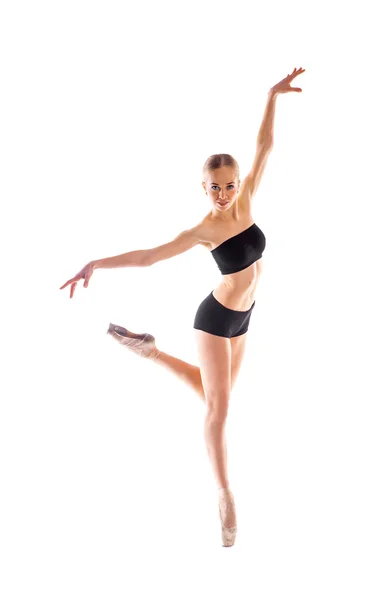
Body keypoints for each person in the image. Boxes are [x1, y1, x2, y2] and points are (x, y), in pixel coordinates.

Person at [60, 67, 305, 547]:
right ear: (203, 187)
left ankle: (150, 351)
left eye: (229, 185)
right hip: (214, 321)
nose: (223, 194)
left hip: (244, 318)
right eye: (214, 187)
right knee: (219, 409)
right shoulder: (202, 231)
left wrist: (272, 96)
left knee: (219, 394)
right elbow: (149, 257)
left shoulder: (248, 201)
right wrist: (97, 263)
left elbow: (266, 146)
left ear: (237, 182)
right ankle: (225, 495)